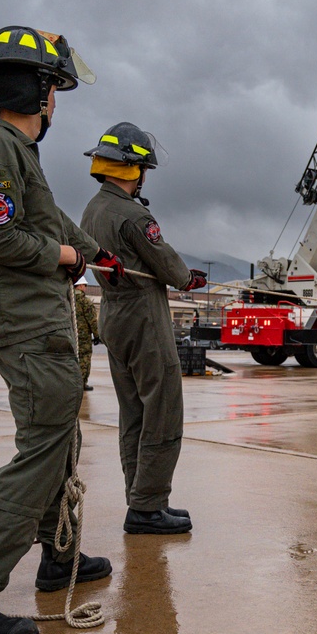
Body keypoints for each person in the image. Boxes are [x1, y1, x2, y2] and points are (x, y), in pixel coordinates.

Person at [0, 26, 125, 634]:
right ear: (37, 91)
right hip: (28, 325)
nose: (57, 103)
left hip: (38, 322)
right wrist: (65, 253)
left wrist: (95, 251)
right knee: (42, 451)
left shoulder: (16, 151)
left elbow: (43, 213)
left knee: (57, 441)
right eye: (54, 89)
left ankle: (55, 559)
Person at [80, 122, 206, 535]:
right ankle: (149, 506)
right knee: (163, 408)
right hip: (142, 314)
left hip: (112, 316)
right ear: (134, 168)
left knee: (132, 412)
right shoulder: (133, 215)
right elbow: (167, 265)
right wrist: (189, 278)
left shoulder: (93, 208)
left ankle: (139, 500)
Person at [74, 276, 101, 390]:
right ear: (80, 286)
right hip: (83, 336)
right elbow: (92, 321)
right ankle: (82, 383)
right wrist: (97, 335)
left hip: (70, 333)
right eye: (85, 285)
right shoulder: (85, 302)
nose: (85, 288)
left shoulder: (66, 299)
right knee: (84, 358)